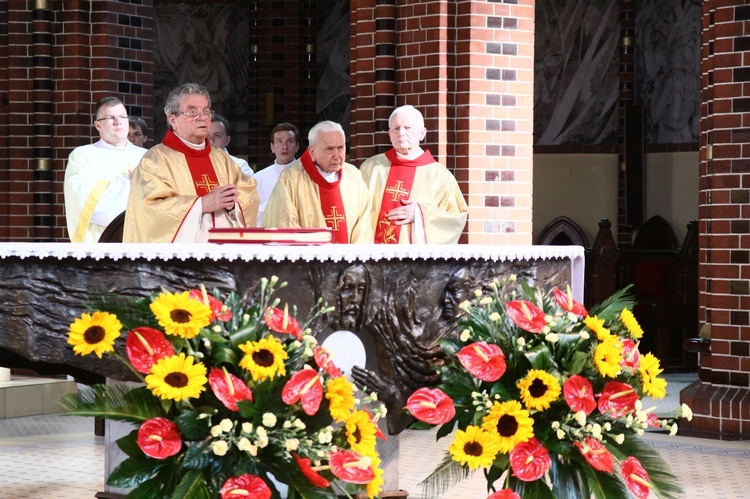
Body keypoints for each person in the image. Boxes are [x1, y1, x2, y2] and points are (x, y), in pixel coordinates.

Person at [123, 83, 258, 243]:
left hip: (226, 252)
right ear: (173, 119)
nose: (202, 117)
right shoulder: (155, 160)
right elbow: (149, 212)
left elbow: (249, 193)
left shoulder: (222, 159)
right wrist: (201, 204)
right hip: (182, 260)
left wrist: (234, 204)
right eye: (192, 112)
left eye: (206, 111)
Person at [360, 104, 468, 244]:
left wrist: (420, 214)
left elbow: (456, 218)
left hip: (415, 262)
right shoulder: (371, 168)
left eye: (407, 128)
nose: (401, 133)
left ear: (422, 133)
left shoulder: (440, 176)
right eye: (396, 128)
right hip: (371, 255)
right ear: (390, 135)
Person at [261, 120, 373, 244]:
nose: (337, 156)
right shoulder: (291, 178)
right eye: (329, 149)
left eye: (340, 148)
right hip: (311, 261)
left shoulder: (353, 175)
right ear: (312, 152)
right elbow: (285, 225)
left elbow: (364, 224)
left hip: (350, 260)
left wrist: (354, 257)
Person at [64, 97, 147, 243]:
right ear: (98, 125)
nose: (118, 121)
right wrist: (129, 182)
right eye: (110, 118)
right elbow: (84, 204)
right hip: (103, 243)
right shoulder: (83, 155)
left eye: (122, 116)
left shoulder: (147, 156)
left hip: (144, 240)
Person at [254, 123, 300, 224]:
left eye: (290, 141)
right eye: (279, 142)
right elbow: (252, 214)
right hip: (269, 233)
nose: (284, 147)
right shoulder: (258, 178)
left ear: (297, 147)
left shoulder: (307, 175)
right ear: (272, 147)